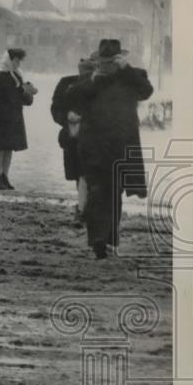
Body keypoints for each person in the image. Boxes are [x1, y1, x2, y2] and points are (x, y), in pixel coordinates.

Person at [65, 39, 153, 259]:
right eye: (103, 62)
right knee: (98, 192)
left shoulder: (133, 76)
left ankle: (110, 239)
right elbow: (71, 97)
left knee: (114, 194)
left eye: (111, 62)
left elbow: (146, 91)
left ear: (121, 60)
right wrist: (93, 80)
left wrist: (127, 70)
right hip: (94, 147)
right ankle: (99, 241)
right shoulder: (90, 80)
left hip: (122, 147)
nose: (106, 66)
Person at [51, 56, 96, 227]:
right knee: (80, 174)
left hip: (95, 137)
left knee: (89, 174)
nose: (85, 73)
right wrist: (67, 117)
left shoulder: (100, 86)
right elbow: (56, 108)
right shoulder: (66, 84)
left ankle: (85, 209)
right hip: (73, 137)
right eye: (83, 70)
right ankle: (84, 208)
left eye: (89, 70)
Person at [0, 47, 37, 190]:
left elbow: (24, 99)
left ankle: (5, 176)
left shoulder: (16, 76)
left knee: (9, 148)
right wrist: (24, 89)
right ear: (8, 60)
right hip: (1, 118)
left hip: (13, 117)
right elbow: (10, 96)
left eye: (19, 61)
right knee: (0, 148)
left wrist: (29, 92)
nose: (18, 64)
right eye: (16, 61)